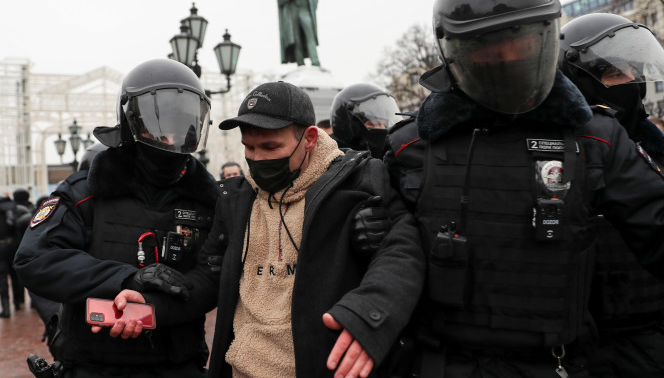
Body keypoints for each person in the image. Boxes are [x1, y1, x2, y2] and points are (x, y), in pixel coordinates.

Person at [384, 0, 664, 376]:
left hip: (554, 364)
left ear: (545, 41)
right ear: (455, 54)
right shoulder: (410, 146)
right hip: (442, 364)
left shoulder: (595, 139)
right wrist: (369, 234)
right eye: (490, 51)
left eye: (521, 45)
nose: (508, 60)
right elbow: (385, 259)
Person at [111, 81, 425, 378]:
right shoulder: (234, 199)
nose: (257, 160)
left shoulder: (362, 182)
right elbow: (208, 276)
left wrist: (368, 314)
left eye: (271, 147)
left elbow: (402, 253)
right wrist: (152, 304)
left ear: (310, 139)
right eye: (249, 147)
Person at [13, 59, 218, 377]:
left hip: (176, 365)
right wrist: (126, 279)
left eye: (182, 125)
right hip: (93, 366)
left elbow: (212, 279)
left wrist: (151, 309)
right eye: (160, 125)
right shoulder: (85, 191)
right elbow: (35, 259)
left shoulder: (208, 201)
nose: (173, 137)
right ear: (132, 122)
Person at [559, 12, 664, 378]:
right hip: (585, 352)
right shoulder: (558, 155)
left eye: (634, 72)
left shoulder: (657, 151)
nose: (633, 83)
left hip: (651, 339)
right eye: (617, 74)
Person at [330, 83, 403, 159]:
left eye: (385, 124)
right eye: (374, 124)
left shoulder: (393, 160)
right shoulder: (332, 165)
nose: (383, 128)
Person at [277, 0, 320, 66]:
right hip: (291, 12)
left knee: (310, 36)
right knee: (296, 38)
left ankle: (315, 60)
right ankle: (300, 62)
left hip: (304, 10)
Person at [0, 194, 15, 318]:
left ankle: (6, 309)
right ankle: (18, 301)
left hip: (2, 248)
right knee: (15, 275)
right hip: (11, 246)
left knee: (2, 278)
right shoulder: (11, 210)